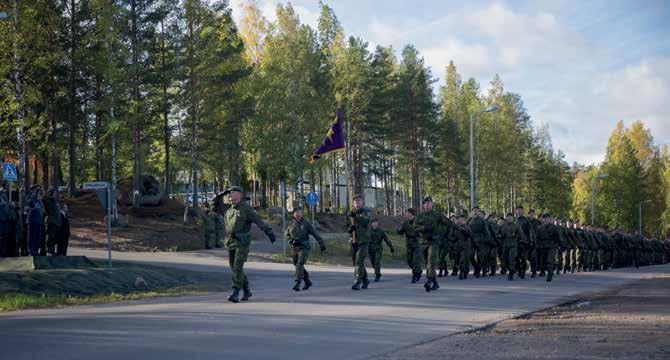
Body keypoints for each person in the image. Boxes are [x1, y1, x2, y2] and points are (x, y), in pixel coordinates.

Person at [223, 186, 276, 303]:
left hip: (242, 242)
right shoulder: (229, 209)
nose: (230, 194)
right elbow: (213, 206)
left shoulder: (246, 209)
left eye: (232, 192)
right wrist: (219, 195)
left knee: (237, 266)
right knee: (235, 268)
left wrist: (269, 233)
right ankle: (247, 290)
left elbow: (259, 221)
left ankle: (235, 292)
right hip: (231, 241)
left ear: (240, 195)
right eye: (229, 193)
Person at [416, 196, 452, 292]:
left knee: (431, 261)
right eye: (426, 203)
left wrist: (443, 234)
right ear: (423, 205)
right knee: (427, 263)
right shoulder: (420, 216)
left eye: (429, 203)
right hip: (424, 242)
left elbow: (449, 223)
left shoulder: (437, 215)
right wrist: (423, 228)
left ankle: (429, 281)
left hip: (434, 242)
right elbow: (414, 227)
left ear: (432, 205)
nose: (427, 205)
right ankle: (435, 282)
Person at [285, 208, 326, 291]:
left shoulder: (306, 223)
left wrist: (321, 244)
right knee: (296, 264)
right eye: (295, 212)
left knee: (300, 264)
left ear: (302, 213)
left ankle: (297, 283)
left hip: (304, 247)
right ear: (293, 214)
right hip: (295, 247)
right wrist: (291, 240)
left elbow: (315, 233)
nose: (297, 214)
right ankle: (307, 281)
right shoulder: (291, 223)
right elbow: (286, 234)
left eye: (299, 212)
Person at [347, 194, 372, 290]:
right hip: (354, 240)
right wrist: (350, 229)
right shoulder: (351, 213)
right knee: (356, 262)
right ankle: (365, 279)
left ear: (362, 202)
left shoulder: (367, 211)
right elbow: (347, 225)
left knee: (359, 261)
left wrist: (356, 216)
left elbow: (365, 221)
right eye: (355, 201)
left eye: (359, 200)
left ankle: (357, 281)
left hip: (364, 241)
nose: (357, 202)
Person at [397, 208, 423, 283]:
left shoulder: (418, 221)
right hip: (409, 244)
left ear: (411, 214)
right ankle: (418, 271)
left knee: (415, 261)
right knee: (409, 261)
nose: (406, 214)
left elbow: (422, 229)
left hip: (417, 243)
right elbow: (401, 231)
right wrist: (398, 230)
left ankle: (415, 276)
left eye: (407, 213)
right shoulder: (405, 222)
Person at [535, 213, 560, 282]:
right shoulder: (540, 228)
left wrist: (561, 245)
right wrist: (537, 246)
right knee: (543, 261)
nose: (546, 220)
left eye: (548, 218)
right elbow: (537, 238)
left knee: (550, 261)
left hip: (551, 246)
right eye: (545, 218)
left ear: (550, 219)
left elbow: (558, 237)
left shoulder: (554, 228)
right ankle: (548, 270)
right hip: (543, 247)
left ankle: (550, 274)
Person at [468, 206, 490, 278]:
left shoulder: (482, 220)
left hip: (480, 240)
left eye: (476, 210)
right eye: (474, 210)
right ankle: (477, 268)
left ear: (479, 212)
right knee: (470, 256)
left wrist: (485, 239)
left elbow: (486, 231)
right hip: (471, 240)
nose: (475, 212)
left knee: (480, 257)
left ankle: (478, 271)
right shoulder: (469, 220)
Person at [500, 213, 522, 281]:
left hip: (513, 245)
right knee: (505, 260)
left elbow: (520, 235)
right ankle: (511, 269)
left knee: (511, 259)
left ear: (513, 218)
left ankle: (511, 273)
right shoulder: (503, 226)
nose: (509, 218)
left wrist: (516, 236)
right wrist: (500, 236)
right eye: (508, 217)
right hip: (505, 245)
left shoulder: (516, 226)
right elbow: (499, 234)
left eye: (510, 217)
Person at [451, 214, 472, 280]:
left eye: (461, 219)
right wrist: (453, 240)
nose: (459, 221)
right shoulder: (455, 228)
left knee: (463, 260)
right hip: (457, 246)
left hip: (465, 245)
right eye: (458, 219)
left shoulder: (466, 227)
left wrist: (461, 229)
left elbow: (469, 234)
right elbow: (451, 236)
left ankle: (463, 272)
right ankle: (463, 271)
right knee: (457, 260)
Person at [515, 206, 533, 279]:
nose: (519, 211)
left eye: (520, 210)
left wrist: (531, 240)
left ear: (523, 211)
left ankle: (523, 273)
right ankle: (519, 270)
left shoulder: (526, 220)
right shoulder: (514, 220)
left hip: (525, 242)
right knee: (516, 257)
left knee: (523, 257)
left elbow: (530, 231)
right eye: (517, 210)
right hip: (516, 242)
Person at [26, 186, 44, 257]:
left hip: (38, 220)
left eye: (38, 191)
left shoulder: (38, 199)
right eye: (36, 191)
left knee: (37, 237)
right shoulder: (29, 197)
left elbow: (41, 208)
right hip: (32, 220)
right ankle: (31, 251)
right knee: (32, 237)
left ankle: (36, 251)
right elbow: (30, 204)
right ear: (32, 190)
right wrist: (35, 195)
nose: (38, 193)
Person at [43, 188, 61, 255]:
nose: (55, 195)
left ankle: (52, 250)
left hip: (56, 222)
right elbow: (44, 198)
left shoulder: (55, 201)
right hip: (51, 221)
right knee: (50, 236)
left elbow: (57, 213)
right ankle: (49, 250)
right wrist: (48, 194)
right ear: (51, 193)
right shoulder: (48, 200)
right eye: (54, 193)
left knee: (54, 238)